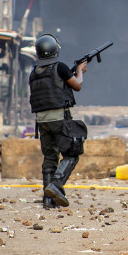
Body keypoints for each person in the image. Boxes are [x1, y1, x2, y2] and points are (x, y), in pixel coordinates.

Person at [29, 33, 87, 209]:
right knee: (72, 154)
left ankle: (48, 200)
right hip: (59, 118)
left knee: (50, 157)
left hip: (41, 121)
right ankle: (56, 185)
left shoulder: (34, 72)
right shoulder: (60, 67)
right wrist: (80, 71)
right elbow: (77, 85)